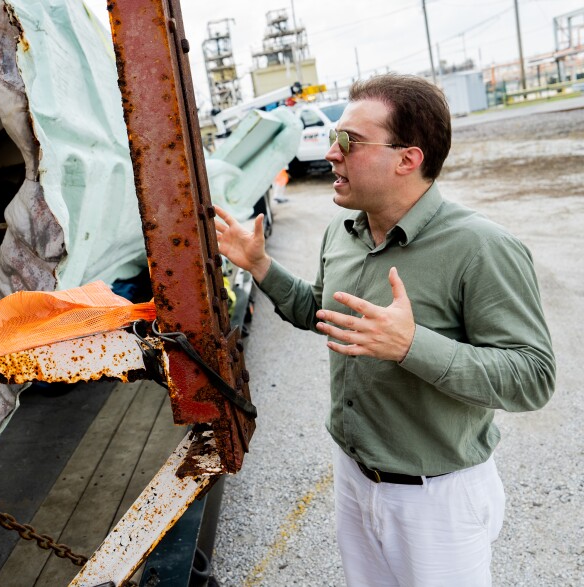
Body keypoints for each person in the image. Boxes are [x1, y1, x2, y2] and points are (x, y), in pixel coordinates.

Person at [214, 74, 555, 587]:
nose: (331, 152)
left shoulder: (481, 247)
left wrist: (413, 346)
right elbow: (320, 312)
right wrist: (262, 267)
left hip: (436, 503)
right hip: (354, 479)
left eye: (348, 141)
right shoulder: (344, 230)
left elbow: (532, 377)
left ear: (407, 159)